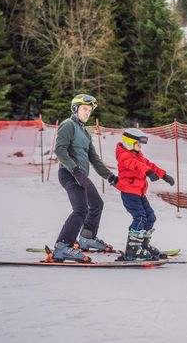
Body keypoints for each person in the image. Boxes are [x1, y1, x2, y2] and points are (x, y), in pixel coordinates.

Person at [52, 94, 119, 263]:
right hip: (69, 174)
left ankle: (87, 237)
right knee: (81, 209)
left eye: (89, 110)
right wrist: (74, 169)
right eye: (84, 109)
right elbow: (60, 150)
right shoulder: (68, 125)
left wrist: (110, 176)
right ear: (75, 109)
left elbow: (94, 159)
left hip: (81, 176)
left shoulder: (85, 133)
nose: (87, 113)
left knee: (96, 204)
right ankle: (62, 246)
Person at [114, 128, 175, 261]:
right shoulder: (124, 155)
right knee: (140, 218)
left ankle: (143, 245)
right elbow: (136, 165)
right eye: (138, 144)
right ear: (129, 143)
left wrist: (164, 175)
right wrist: (148, 172)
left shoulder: (138, 155)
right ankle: (132, 249)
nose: (140, 147)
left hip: (139, 193)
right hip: (129, 193)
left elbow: (149, 165)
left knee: (150, 217)